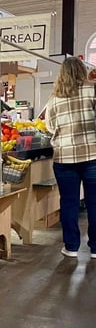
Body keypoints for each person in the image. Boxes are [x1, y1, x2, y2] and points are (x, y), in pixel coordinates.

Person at [44, 56, 96, 259]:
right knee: (94, 202)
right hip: (92, 155)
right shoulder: (93, 91)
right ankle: (95, 248)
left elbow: (49, 127)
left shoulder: (54, 99)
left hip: (64, 158)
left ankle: (71, 246)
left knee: (68, 202)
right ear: (82, 71)